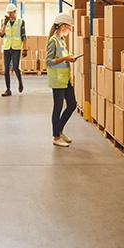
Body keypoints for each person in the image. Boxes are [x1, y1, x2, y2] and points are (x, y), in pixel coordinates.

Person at [46, 12, 77, 147]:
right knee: (57, 108)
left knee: (72, 104)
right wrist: (65, 58)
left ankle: (60, 130)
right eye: (69, 28)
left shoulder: (62, 41)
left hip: (65, 79)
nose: (69, 30)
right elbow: (49, 61)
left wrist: (70, 58)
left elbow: (62, 58)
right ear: (62, 26)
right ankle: (56, 136)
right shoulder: (53, 41)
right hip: (57, 80)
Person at [0, 3, 26, 97]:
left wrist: (25, 48)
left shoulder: (21, 21)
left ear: (15, 12)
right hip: (7, 48)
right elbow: (1, 34)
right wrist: (4, 24)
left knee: (15, 67)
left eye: (11, 13)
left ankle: (20, 82)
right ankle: (8, 90)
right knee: (6, 70)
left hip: (16, 48)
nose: (10, 15)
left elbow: (23, 36)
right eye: (8, 13)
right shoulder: (4, 21)